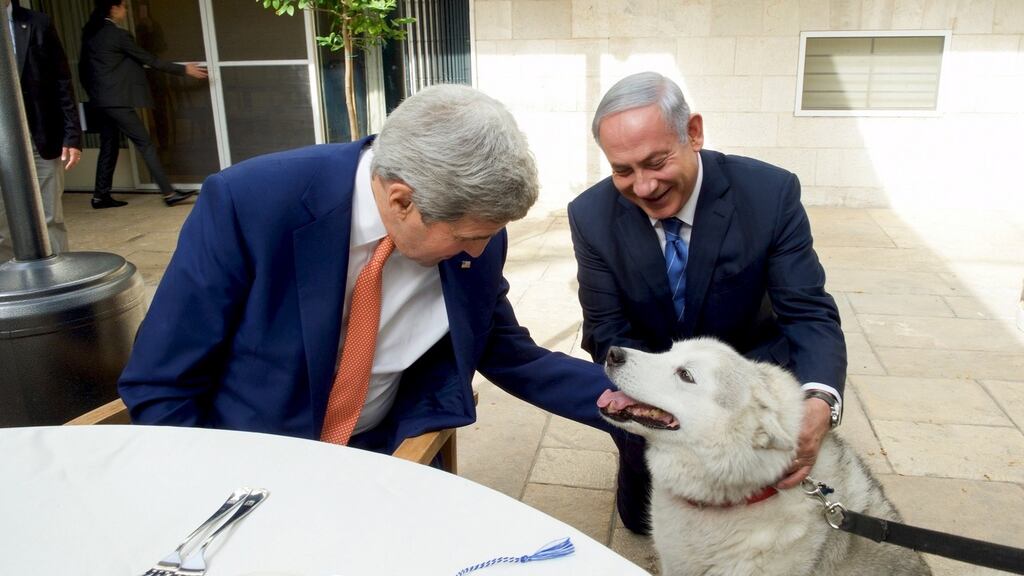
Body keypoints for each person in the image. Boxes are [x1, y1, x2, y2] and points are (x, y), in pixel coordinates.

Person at [119, 84, 616, 457]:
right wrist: (206, 490)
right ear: (401, 200)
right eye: (467, 237)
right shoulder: (250, 204)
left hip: (386, 453)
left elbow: (510, 354)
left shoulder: (474, 229)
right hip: (251, 461)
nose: (480, 249)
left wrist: (640, 404)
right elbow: (162, 381)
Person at [568, 72, 847, 534]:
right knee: (640, 523)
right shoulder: (590, 215)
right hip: (656, 398)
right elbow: (605, 327)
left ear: (693, 133)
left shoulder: (769, 195)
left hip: (749, 400)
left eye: (655, 162)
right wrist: (659, 407)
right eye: (622, 170)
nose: (642, 187)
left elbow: (808, 312)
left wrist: (818, 401)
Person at [78, 0, 207, 209]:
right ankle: (169, 193)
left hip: (100, 101)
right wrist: (184, 70)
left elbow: (83, 71)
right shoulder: (117, 35)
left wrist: (95, 95)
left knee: (109, 146)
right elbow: (150, 59)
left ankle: (100, 196)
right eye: (124, 7)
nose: (126, 11)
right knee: (145, 144)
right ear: (113, 8)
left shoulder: (91, 35)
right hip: (117, 102)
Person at [0, 0, 81, 261]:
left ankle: (59, 286)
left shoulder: (38, 23)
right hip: (2, 143)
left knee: (50, 219)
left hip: (41, 135)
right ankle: (10, 294)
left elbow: (62, 81)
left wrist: (72, 135)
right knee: (2, 228)